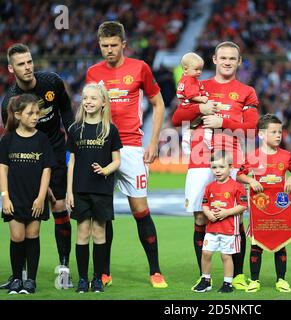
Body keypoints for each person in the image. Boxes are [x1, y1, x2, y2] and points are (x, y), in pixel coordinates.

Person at [172, 41, 259, 290]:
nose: (228, 62)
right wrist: (200, 107)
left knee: (235, 218)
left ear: (239, 61)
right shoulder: (200, 86)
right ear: (214, 60)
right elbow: (177, 118)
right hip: (200, 159)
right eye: (223, 58)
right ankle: (205, 276)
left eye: (233, 58)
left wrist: (223, 120)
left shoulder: (247, 91)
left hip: (232, 160)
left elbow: (251, 128)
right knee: (200, 217)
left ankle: (238, 276)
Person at [86, 21, 167, 288]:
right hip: (101, 147)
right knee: (102, 212)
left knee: (140, 210)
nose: (109, 50)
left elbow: (158, 103)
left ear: (123, 44)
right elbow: (89, 110)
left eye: (113, 45)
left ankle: (155, 271)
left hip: (132, 147)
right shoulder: (93, 72)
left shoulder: (139, 68)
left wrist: (153, 141)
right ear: (99, 45)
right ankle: (104, 271)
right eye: (104, 46)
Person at [0, 44, 74, 290]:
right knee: (25, 218)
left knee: (60, 207)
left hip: (54, 151)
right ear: (11, 69)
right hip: (27, 164)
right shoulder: (9, 102)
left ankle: (64, 268)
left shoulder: (51, 82)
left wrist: (71, 136)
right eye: (21, 64)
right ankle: (19, 275)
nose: (28, 67)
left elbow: (65, 108)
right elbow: (11, 141)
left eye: (29, 61)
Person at [66, 83, 122, 293]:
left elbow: (117, 161)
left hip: (102, 191)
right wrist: (69, 192)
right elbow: (71, 162)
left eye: (93, 98)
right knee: (82, 233)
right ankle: (82, 280)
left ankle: (97, 279)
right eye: (85, 97)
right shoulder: (75, 129)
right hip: (80, 190)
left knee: (99, 233)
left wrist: (106, 170)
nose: (88, 101)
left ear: (103, 103)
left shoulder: (110, 129)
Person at [237, 114, 291, 293]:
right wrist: (250, 181)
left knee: (281, 242)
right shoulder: (253, 156)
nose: (278, 135)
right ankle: (255, 280)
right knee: (256, 244)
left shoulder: (285, 155)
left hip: (280, 206)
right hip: (260, 207)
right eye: (273, 132)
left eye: (280, 131)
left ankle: (281, 280)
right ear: (261, 135)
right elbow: (240, 174)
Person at [0, 94, 56, 294]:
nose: (35, 117)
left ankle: (30, 280)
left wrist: (41, 198)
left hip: (35, 199)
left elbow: (46, 170)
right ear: (17, 115)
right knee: (17, 236)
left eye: (37, 113)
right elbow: (3, 170)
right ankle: (16, 279)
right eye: (30, 113)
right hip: (14, 199)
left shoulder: (42, 139)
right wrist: (5, 197)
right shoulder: (7, 140)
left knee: (33, 235)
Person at [192, 151, 247, 293]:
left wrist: (226, 213)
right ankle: (205, 280)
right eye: (214, 167)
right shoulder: (209, 187)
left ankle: (228, 283)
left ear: (230, 167)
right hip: (211, 229)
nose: (217, 171)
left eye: (221, 167)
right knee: (206, 253)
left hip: (229, 230)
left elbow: (243, 205)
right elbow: (204, 203)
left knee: (225, 256)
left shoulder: (237, 186)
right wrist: (208, 213)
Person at [177, 52, 210, 155]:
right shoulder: (191, 80)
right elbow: (191, 95)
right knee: (209, 117)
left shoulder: (183, 79)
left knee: (188, 128)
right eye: (196, 69)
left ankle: (186, 141)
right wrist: (203, 99)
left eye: (200, 69)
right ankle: (208, 140)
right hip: (191, 106)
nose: (199, 72)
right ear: (186, 69)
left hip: (183, 107)